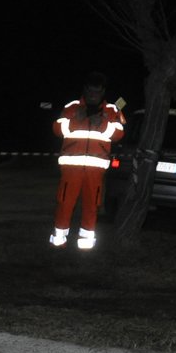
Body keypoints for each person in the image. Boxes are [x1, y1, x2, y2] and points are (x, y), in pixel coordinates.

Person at [50, 72, 125, 251]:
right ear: (85, 90)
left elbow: (118, 134)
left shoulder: (112, 110)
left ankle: (85, 244)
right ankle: (58, 241)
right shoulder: (72, 107)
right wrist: (77, 120)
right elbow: (57, 129)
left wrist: (103, 124)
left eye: (97, 92)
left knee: (92, 205)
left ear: (103, 92)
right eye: (90, 91)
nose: (93, 95)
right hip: (71, 168)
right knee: (65, 202)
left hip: (96, 169)